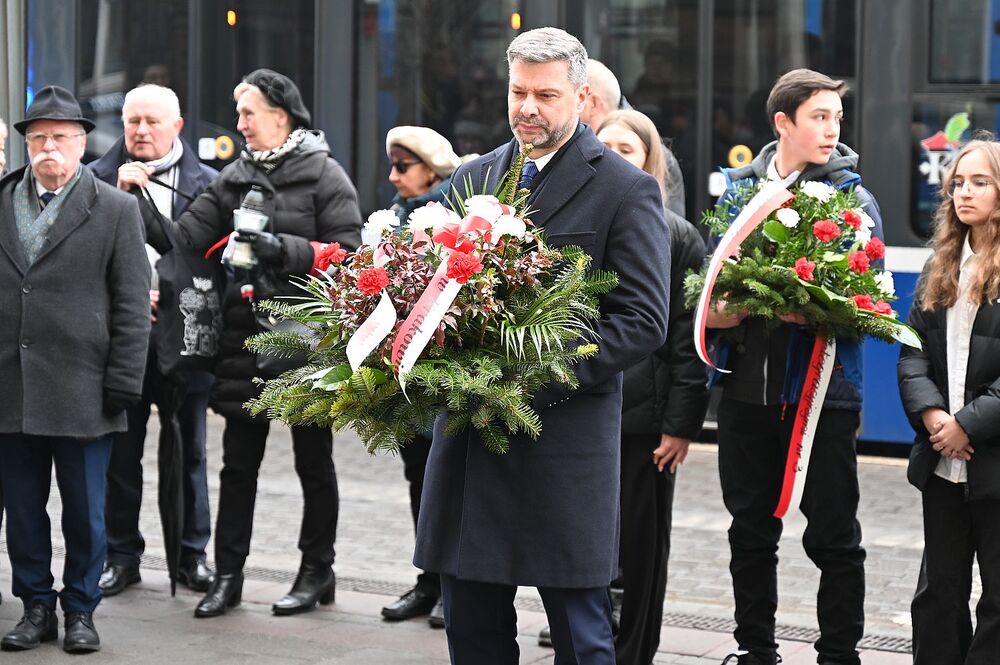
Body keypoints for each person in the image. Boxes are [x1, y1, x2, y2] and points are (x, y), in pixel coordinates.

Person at [412, 28, 672, 665]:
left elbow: (642, 320)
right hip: (471, 445)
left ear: (582, 98)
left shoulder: (623, 188)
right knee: (471, 633)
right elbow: (422, 286)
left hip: (563, 445)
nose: (528, 107)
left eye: (546, 95)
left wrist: (525, 380)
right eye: (518, 91)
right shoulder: (473, 178)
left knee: (583, 640)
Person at [135, 69, 363, 618]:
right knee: (239, 464)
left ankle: (317, 571)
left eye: (248, 113)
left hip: (308, 338)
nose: (239, 123)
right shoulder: (233, 177)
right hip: (243, 340)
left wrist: (280, 247)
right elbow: (181, 241)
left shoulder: (324, 174)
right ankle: (229, 576)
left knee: (315, 460)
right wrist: (136, 196)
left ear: (281, 117)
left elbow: (351, 255)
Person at [706, 69, 883, 665]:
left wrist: (825, 308)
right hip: (745, 395)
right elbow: (701, 290)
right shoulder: (736, 194)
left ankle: (839, 654)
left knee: (835, 537)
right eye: (819, 117)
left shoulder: (853, 199)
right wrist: (718, 312)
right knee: (749, 532)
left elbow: (873, 301)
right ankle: (755, 649)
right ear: (783, 123)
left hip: (825, 398)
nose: (832, 129)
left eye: (837, 117)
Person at [0, 86, 151, 653]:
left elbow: (134, 306)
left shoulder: (115, 209)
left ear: (82, 143)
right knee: (23, 510)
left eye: (60, 137)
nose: (48, 148)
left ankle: (81, 609)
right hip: (11, 385)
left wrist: (122, 384)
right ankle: (35, 604)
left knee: (88, 513)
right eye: (37, 137)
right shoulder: (3, 200)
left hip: (85, 388)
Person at [88, 84, 219, 597]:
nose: (141, 132)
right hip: (121, 339)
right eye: (132, 121)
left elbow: (210, 258)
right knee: (121, 451)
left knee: (190, 449)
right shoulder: (95, 180)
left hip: (186, 336)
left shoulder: (210, 183)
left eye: (152, 122)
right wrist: (119, 197)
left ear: (177, 126)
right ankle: (121, 555)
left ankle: (192, 555)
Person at [595, 109, 709, 665]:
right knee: (586, 546)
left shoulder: (676, 234)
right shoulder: (573, 224)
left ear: (649, 162)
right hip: (582, 412)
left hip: (645, 424)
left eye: (628, 149)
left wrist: (682, 424)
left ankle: (634, 652)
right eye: (605, 146)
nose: (615, 156)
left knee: (642, 550)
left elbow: (690, 340)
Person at [898, 137, 1000, 664]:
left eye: (980, 182)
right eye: (958, 182)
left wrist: (968, 425)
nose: (965, 192)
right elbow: (911, 353)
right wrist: (935, 417)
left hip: (993, 461)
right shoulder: (940, 265)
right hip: (943, 463)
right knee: (939, 595)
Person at [378, 125, 461, 628]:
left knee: (452, 483)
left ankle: (456, 585)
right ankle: (428, 582)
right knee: (419, 482)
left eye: (402, 167)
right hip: (408, 378)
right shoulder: (393, 217)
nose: (393, 176)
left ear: (431, 170)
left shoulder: (456, 213)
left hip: (446, 376)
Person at [581, 59, 686, 218]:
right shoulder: (573, 146)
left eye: (626, 150)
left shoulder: (661, 158)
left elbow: (672, 234)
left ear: (594, 102)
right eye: (606, 148)